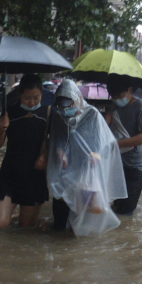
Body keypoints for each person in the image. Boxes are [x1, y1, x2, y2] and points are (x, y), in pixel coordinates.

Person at [47, 80, 127, 235]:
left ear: (77, 99)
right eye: (61, 107)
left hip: (86, 169)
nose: (65, 110)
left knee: (84, 213)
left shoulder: (92, 115)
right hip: (66, 169)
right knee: (60, 217)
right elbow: (58, 139)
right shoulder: (58, 116)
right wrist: (59, 151)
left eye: (68, 106)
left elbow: (104, 141)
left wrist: (96, 154)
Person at [0, 74, 50, 229]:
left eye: (36, 98)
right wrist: (1, 130)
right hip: (9, 174)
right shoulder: (9, 113)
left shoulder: (49, 114)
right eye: (27, 98)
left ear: (42, 95)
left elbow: (56, 142)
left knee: (26, 228)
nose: (31, 102)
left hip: (34, 176)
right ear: (20, 95)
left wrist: (45, 155)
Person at [107, 80, 142, 215]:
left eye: (120, 96)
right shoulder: (112, 106)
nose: (117, 100)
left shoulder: (141, 106)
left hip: (134, 168)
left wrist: (118, 144)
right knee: (115, 207)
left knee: (125, 213)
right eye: (113, 97)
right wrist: (106, 123)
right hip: (116, 165)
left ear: (130, 90)